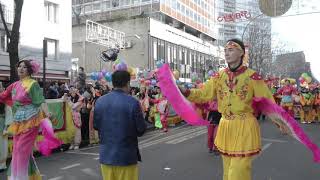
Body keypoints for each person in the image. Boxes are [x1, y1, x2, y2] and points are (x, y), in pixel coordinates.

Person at [179, 39, 282, 180]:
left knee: (237, 173)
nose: (227, 53)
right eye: (225, 50)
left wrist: (282, 123)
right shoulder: (219, 76)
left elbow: (268, 102)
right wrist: (186, 91)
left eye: (231, 49)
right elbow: (204, 94)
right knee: (227, 173)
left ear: (241, 53)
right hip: (225, 126)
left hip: (244, 126)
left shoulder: (253, 76)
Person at [0, 59, 61, 180]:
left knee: (21, 150)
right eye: (19, 66)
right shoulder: (14, 85)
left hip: (31, 120)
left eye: (24, 67)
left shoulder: (33, 84)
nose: (20, 69)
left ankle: (19, 177)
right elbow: (3, 96)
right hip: (19, 122)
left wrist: (47, 112)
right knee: (18, 150)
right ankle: (30, 176)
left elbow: (40, 101)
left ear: (30, 70)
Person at [94, 70, 146, 180]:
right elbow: (141, 129)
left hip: (106, 156)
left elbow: (96, 126)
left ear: (113, 83)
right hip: (126, 156)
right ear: (128, 83)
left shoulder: (100, 101)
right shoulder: (133, 102)